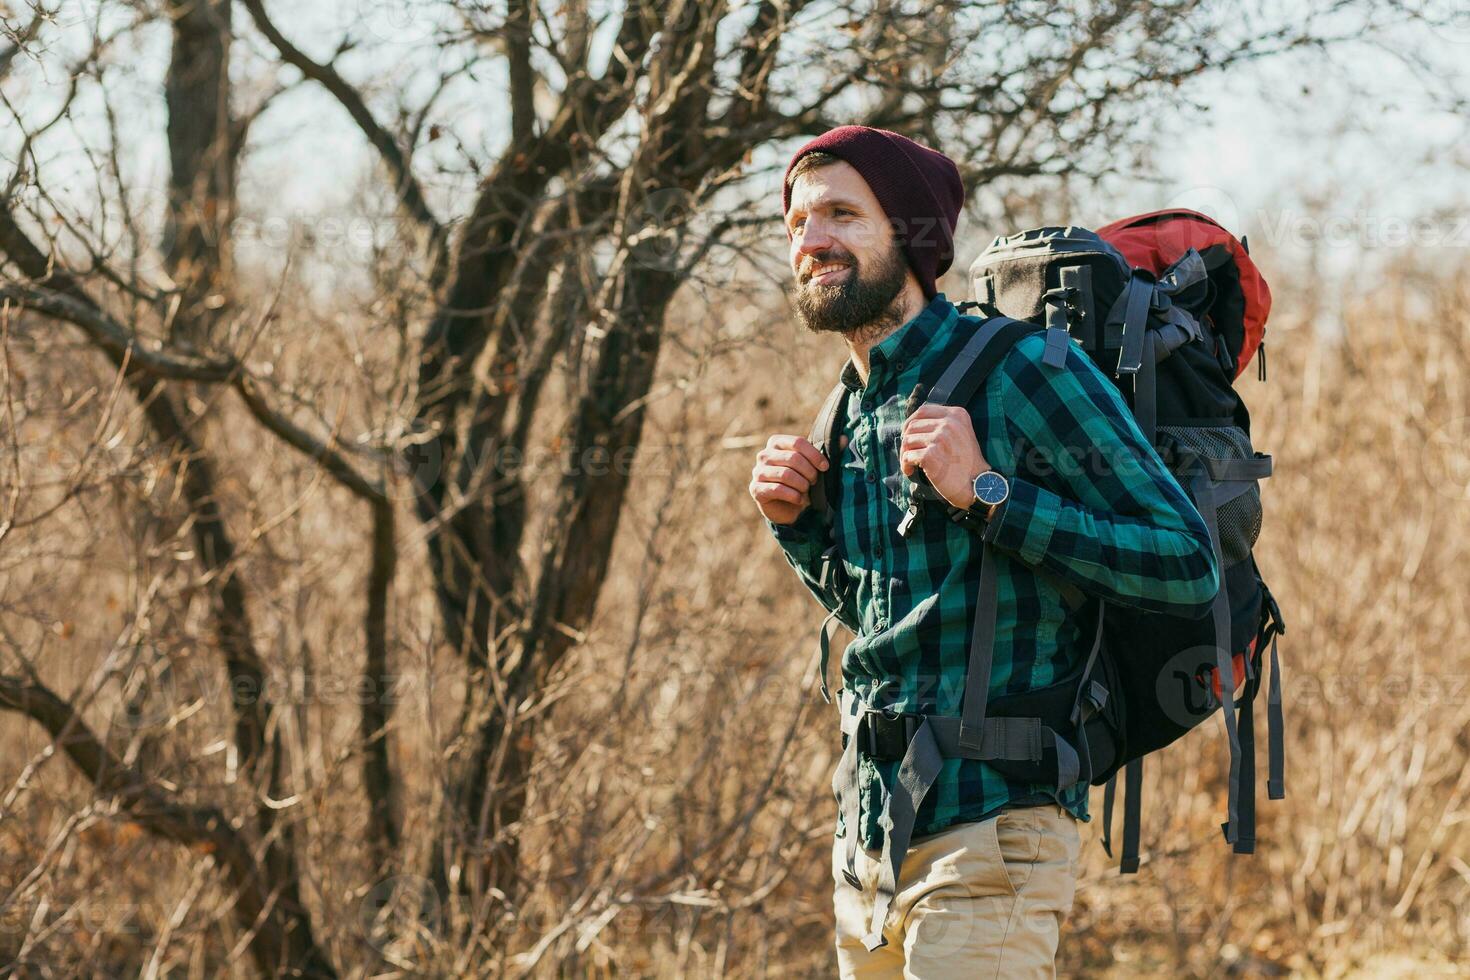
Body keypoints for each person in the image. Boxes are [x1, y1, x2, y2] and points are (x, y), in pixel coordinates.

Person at [748, 125, 1219, 978]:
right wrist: (798, 527)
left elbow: (1186, 562)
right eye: (795, 224)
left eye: (842, 215)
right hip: (868, 842)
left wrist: (993, 496)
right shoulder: (847, 411)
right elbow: (893, 614)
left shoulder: (1021, 368)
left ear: (913, 238)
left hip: (994, 833)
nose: (809, 240)